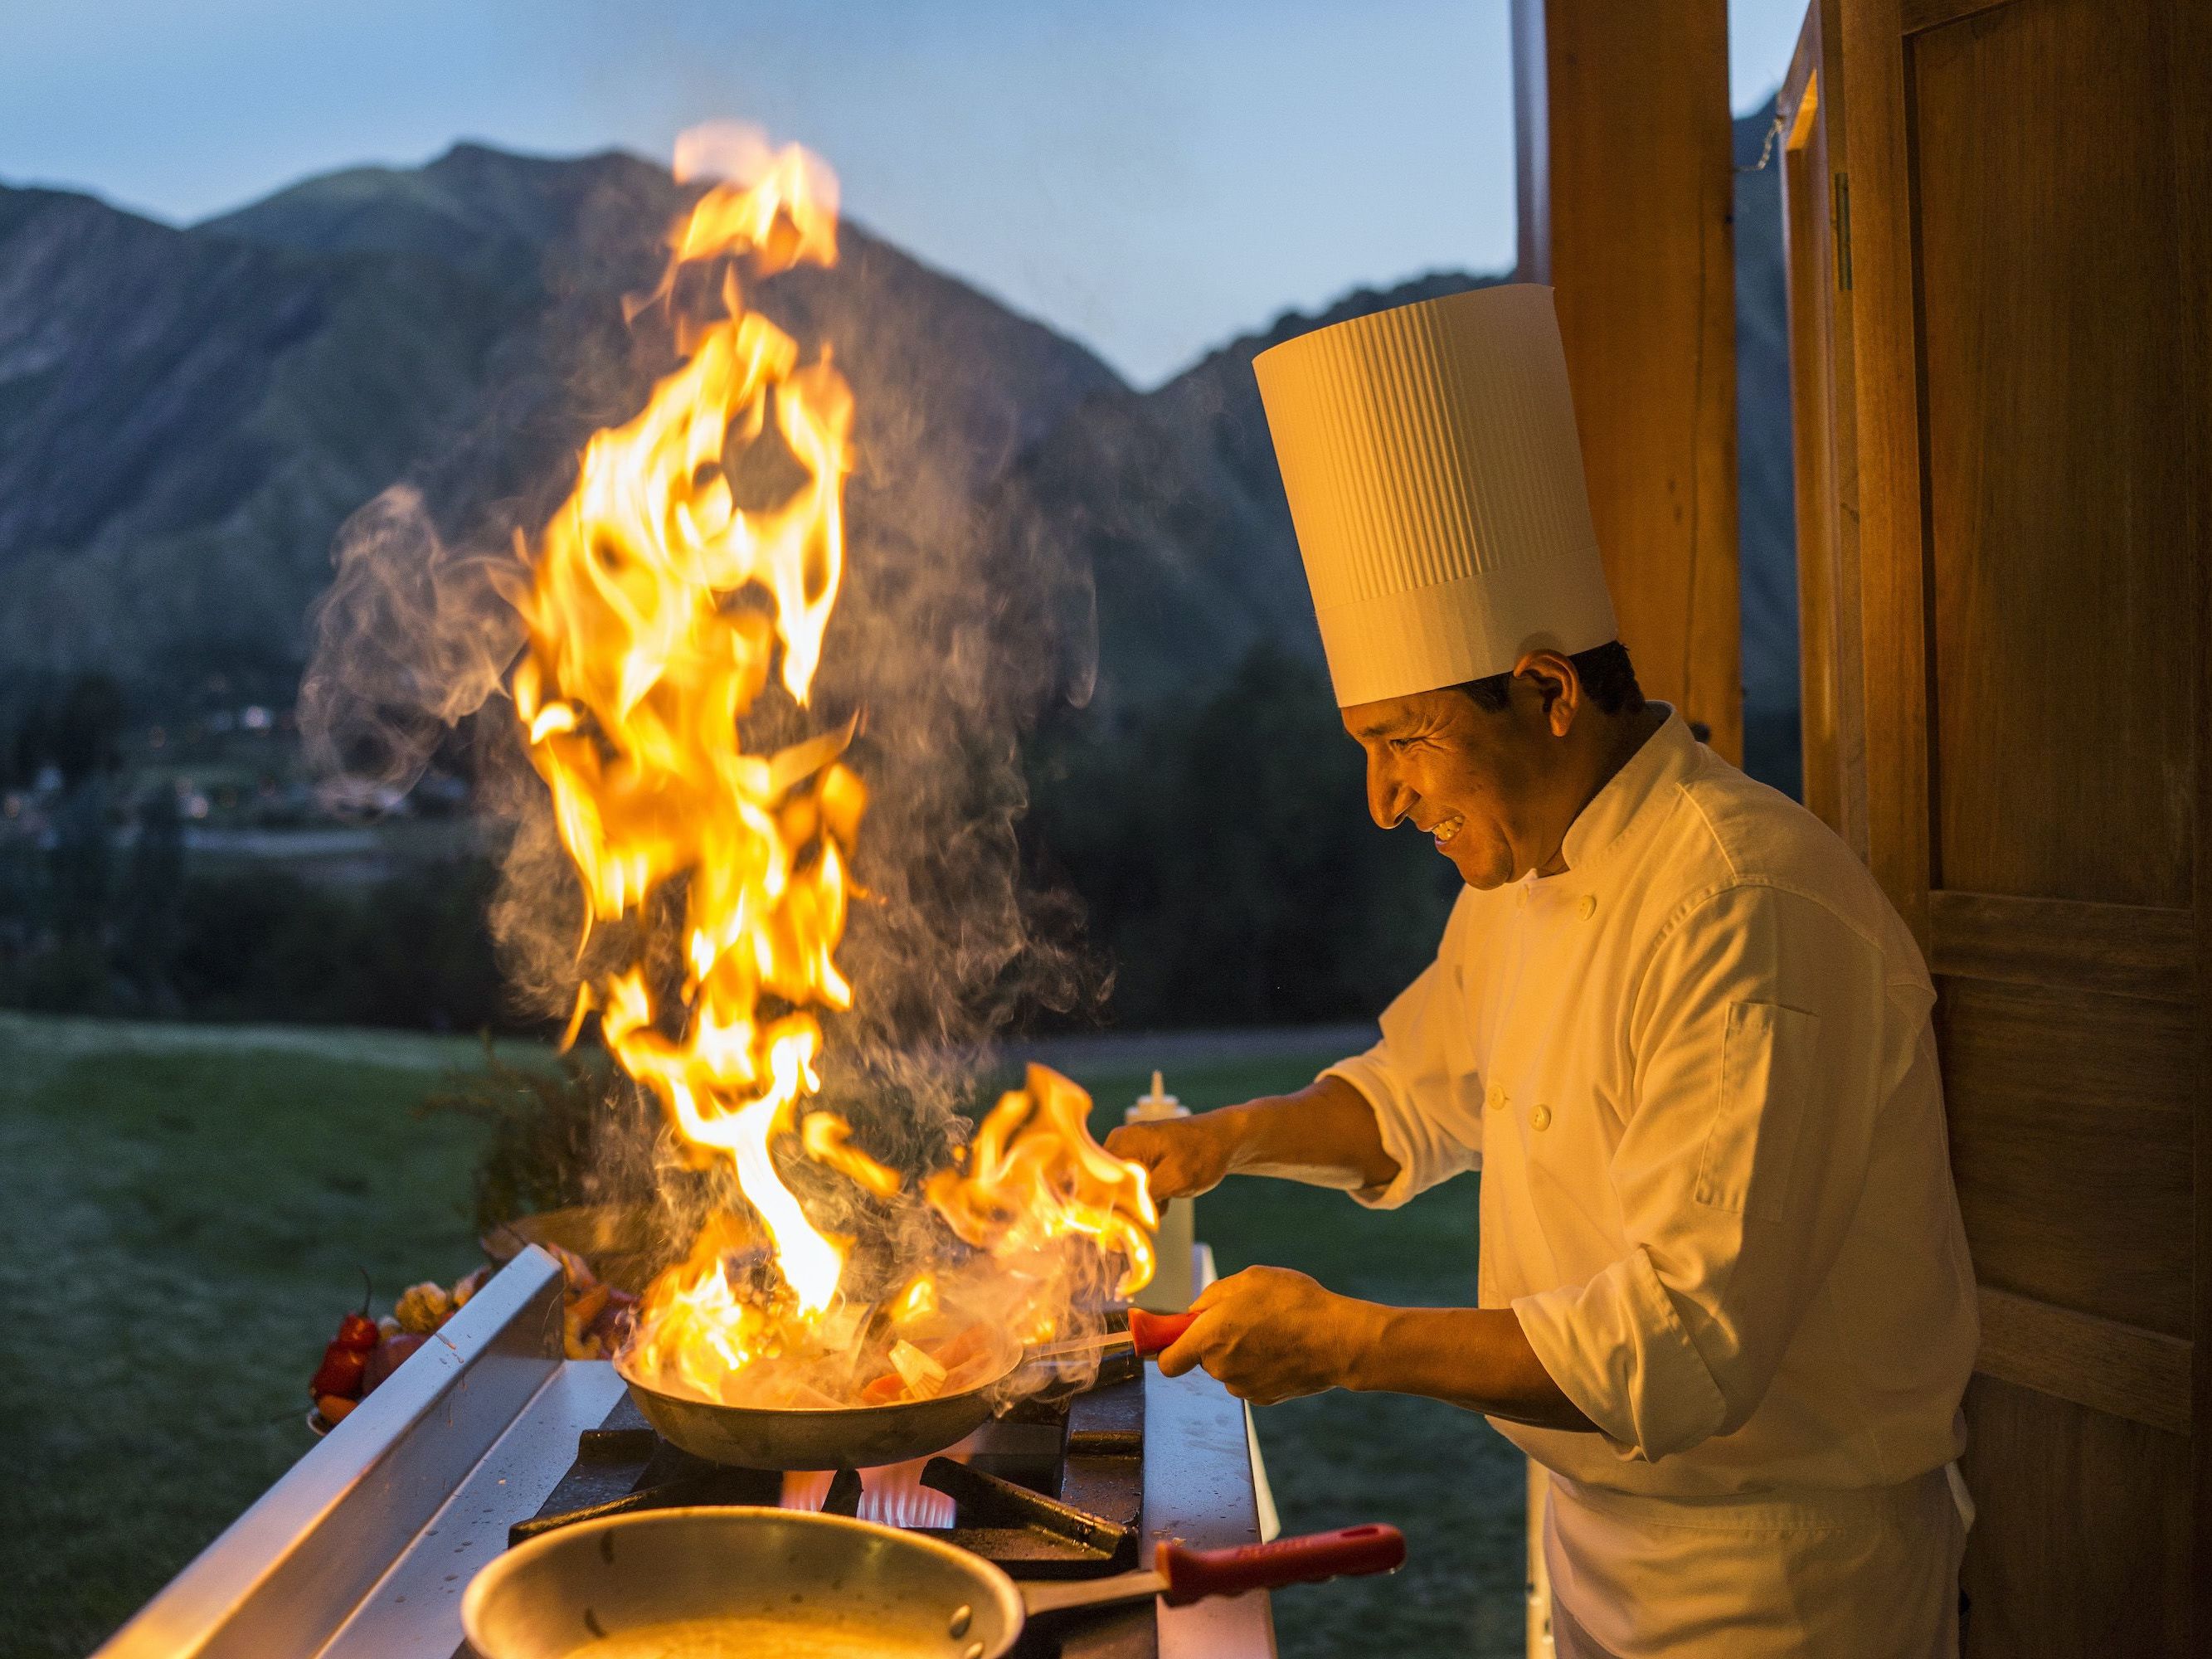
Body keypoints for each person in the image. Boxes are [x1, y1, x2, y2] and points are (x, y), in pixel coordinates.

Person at [1105, 285, 1978, 1658]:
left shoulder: (1742, 906)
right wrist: (1219, 1141)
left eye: (1404, 742)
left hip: (1785, 1586)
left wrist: (1348, 1343)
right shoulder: (1525, 872)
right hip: (1597, 1547)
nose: (1385, 802)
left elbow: (1683, 1347)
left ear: (1549, 691)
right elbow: (1416, 1093)